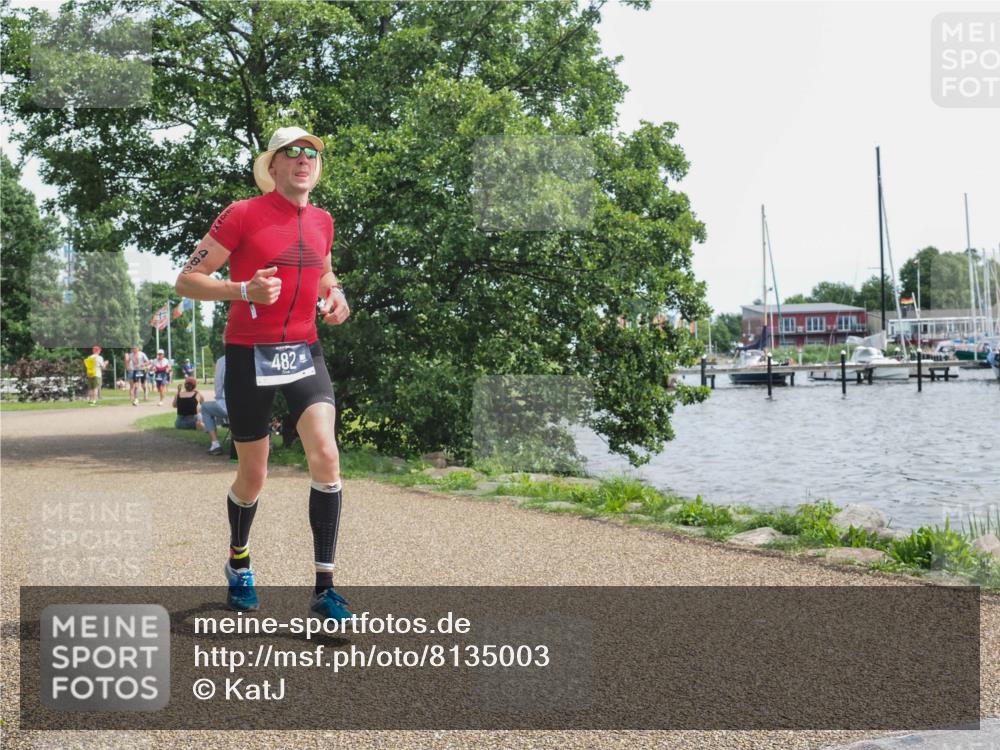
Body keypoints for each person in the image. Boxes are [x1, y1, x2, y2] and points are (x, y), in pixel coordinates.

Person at [175, 126, 351, 623]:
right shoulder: (242, 214)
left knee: (326, 454)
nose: (302, 159)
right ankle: (239, 560)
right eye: (291, 152)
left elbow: (322, 271)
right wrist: (242, 292)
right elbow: (186, 279)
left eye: (311, 152)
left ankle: (325, 590)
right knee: (254, 473)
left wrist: (333, 295)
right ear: (272, 167)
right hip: (251, 353)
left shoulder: (322, 221)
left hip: (304, 350)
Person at [200, 355, 229, 455]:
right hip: (251, 405)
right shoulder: (252, 355)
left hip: (228, 404)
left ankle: (215, 444)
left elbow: (218, 383)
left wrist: (219, 398)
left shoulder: (222, 360)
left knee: (205, 407)